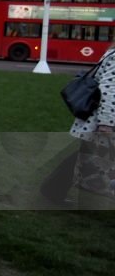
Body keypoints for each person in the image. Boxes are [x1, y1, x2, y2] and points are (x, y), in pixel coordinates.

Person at [39, 41, 115, 204]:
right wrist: (106, 123)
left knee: (80, 155)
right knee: (82, 157)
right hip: (103, 120)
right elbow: (108, 90)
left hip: (99, 119)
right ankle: (53, 190)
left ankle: (52, 190)